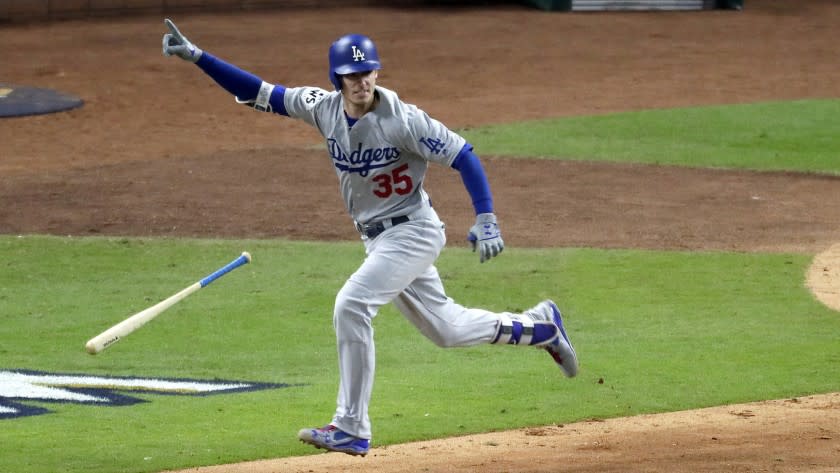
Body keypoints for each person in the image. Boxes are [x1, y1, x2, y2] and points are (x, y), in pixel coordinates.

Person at [162, 19, 579, 457]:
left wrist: (487, 217)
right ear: (337, 78)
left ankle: (351, 426)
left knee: (352, 304)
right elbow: (262, 92)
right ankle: (542, 327)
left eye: (367, 73)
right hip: (378, 240)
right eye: (351, 75)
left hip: (413, 231)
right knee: (448, 329)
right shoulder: (321, 107)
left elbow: (464, 155)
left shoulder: (403, 121)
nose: (360, 82)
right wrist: (199, 58)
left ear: (376, 73)